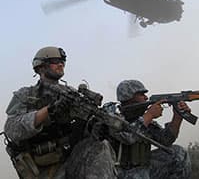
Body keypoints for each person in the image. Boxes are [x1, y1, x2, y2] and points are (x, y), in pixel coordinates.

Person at [4, 46, 117, 179]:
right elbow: (12, 129)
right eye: (54, 61)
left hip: (72, 160)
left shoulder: (72, 94)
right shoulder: (26, 95)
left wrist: (94, 128)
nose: (60, 64)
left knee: (100, 145)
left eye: (62, 61)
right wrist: (49, 111)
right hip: (44, 168)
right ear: (41, 67)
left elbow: (82, 129)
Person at [103, 79, 191, 179]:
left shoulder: (143, 119)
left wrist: (177, 116)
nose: (146, 97)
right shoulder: (112, 116)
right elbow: (126, 137)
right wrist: (149, 115)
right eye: (141, 94)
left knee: (179, 154)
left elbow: (166, 140)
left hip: (142, 170)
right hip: (117, 172)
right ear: (129, 96)